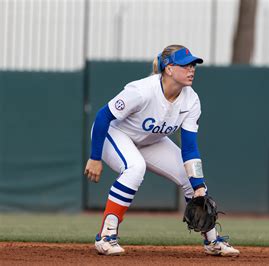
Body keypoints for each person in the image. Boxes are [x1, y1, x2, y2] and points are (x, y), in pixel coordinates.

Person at [83, 44, 240, 257]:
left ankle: (212, 241)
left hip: (150, 140)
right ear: (169, 69)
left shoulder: (191, 100)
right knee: (135, 168)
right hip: (115, 133)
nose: (192, 69)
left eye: (193, 65)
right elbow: (103, 116)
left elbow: (190, 147)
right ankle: (106, 236)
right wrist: (95, 157)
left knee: (192, 179)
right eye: (185, 65)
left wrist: (198, 187)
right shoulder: (142, 91)